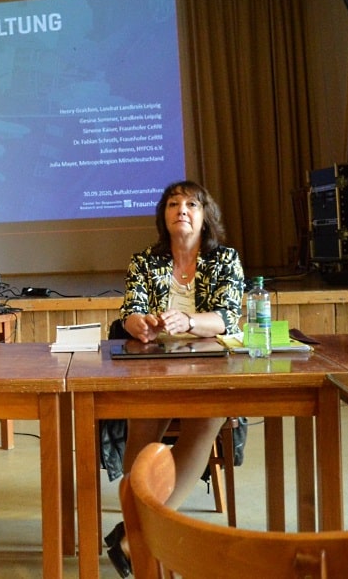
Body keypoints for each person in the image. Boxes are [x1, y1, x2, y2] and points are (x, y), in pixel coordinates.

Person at [106, 180, 244, 577]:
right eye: (172, 204)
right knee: (143, 429)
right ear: (163, 216)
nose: (181, 210)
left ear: (205, 216)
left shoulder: (224, 260)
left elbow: (227, 316)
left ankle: (138, 536)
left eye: (191, 204)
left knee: (207, 421)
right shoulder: (144, 261)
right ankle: (142, 535)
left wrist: (190, 321)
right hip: (153, 365)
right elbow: (129, 310)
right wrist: (137, 324)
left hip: (209, 367)